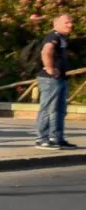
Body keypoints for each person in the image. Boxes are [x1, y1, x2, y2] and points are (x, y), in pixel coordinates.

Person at [34, 12, 73, 149]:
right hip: (50, 79)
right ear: (56, 24)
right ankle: (42, 138)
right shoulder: (53, 36)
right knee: (48, 108)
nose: (70, 25)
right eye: (67, 22)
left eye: (71, 22)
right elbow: (46, 51)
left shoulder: (62, 38)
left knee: (59, 109)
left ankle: (56, 138)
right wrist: (50, 68)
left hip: (60, 78)